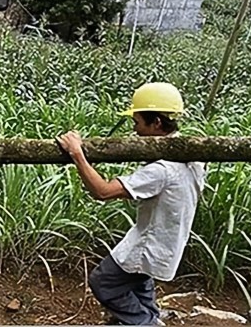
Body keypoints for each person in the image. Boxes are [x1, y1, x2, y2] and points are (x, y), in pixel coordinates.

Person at [56, 82, 206, 326]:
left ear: (156, 123)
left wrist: (77, 154)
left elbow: (102, 192)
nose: (135, 130)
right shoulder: (191, 155)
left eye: (137, 123)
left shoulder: (163, 170)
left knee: (104, 281)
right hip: (167, 240)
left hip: (151, 242)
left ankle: (144, 323)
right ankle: (147, 320)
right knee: (138, 283)